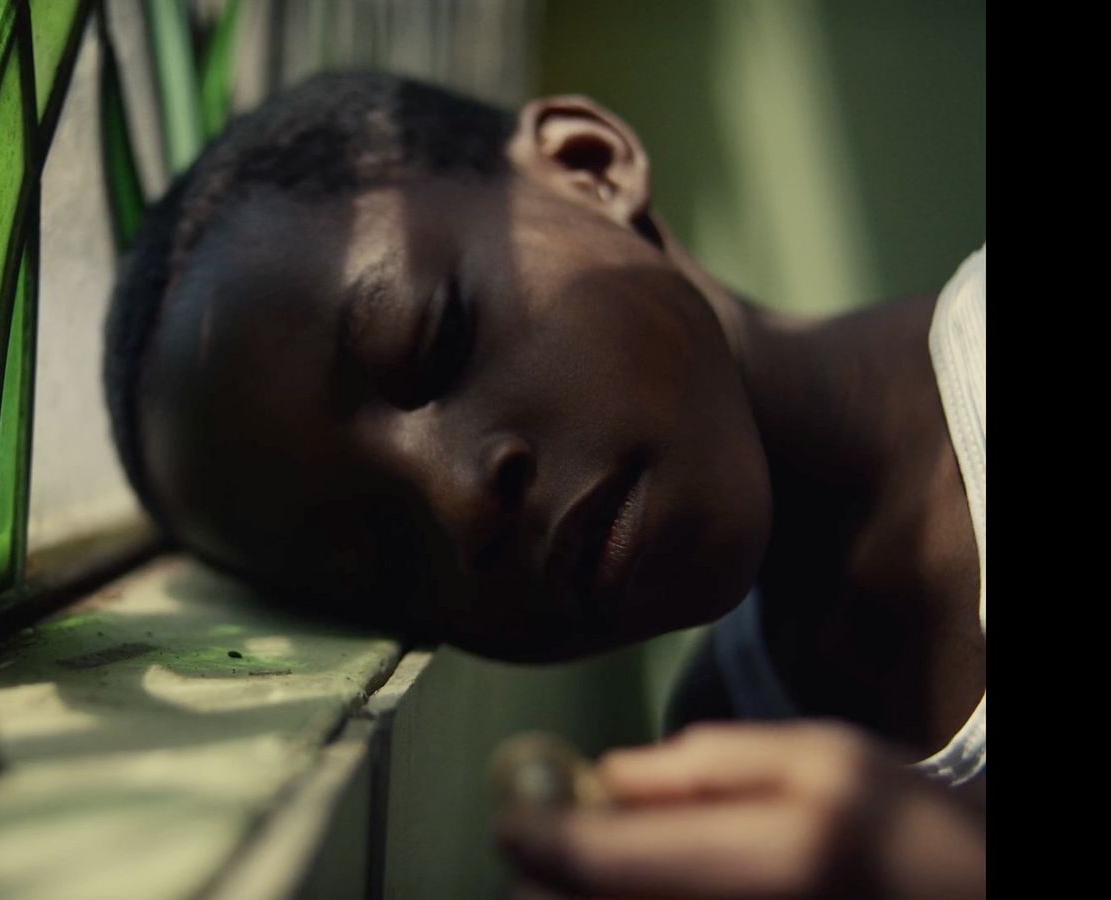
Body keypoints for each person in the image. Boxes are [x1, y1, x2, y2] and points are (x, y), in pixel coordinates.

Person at [102, 71, 985, 897]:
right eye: (387, 558)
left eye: (438, 339)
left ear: (587, 167)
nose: (458, 506)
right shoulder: (720, 747)